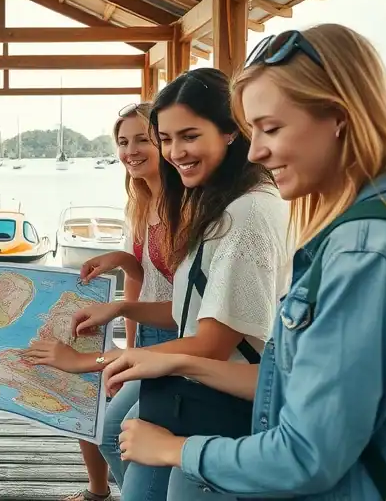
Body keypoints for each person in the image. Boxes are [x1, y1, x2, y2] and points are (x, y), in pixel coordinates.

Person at [102, 25, 386, 500]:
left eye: (271, 128)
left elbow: (305, 457)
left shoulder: (367, 252)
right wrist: (177, 361)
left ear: (339, 117)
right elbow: (291, 386)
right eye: (252, 130)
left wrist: (177, 449)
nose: (256, 149)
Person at [69, 68, 291, 501]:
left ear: (231, 131)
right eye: (167, 139)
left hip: (223, 403)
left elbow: (210, 341)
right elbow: (188, 312)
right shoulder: (216, 206)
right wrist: (119, 309)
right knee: (118, 442)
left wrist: (99, 360)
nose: (175, 152)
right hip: (192, 387)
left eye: (189, 136)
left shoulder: (245, 216)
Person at [25, 102, 177, 501]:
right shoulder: (142, 203)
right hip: (148, 334)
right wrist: (122, 261)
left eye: (143, 139)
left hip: (176, 340)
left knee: (112, 431)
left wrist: (117, 346)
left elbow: (187, 304)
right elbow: (145, 279)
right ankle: (101, 491)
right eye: (123, 142)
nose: (131, 150)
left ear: (165, 142)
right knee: (99, 417)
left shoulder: (185, 207)